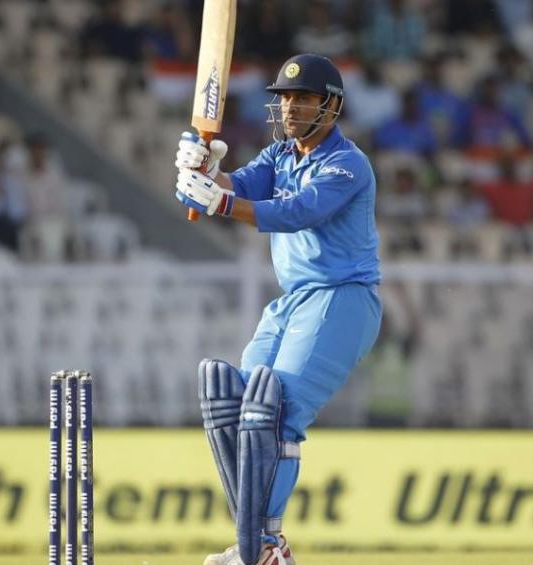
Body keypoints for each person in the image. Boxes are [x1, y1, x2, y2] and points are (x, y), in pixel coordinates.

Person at [174, 54, 381, 565]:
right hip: (293, 301)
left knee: (278, 412)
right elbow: (235, 187)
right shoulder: (280, 155)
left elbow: (298, 211)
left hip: (342, 298)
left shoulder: (346, 164)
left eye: (303, 98)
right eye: (285, 98)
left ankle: (267, 545)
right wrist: (203, 172)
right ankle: (257, 546)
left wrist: (220, 202)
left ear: (330, 106)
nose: (289, 107)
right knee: (240, 407)